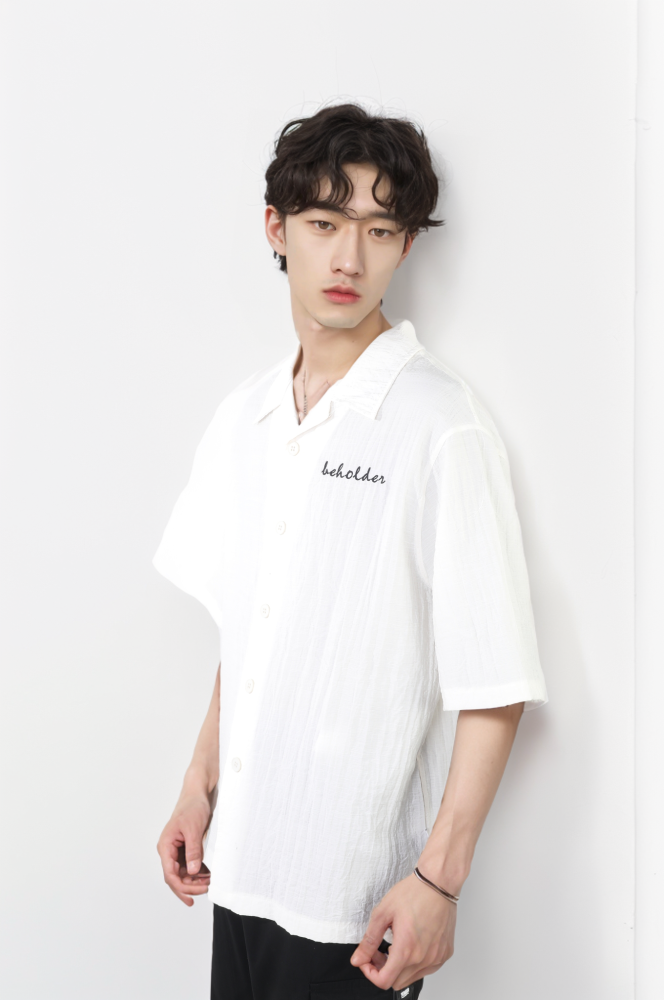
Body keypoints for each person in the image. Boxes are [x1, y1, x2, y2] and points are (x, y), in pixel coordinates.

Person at [153, 102, 548, 999]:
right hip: (240, 874)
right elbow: (251, 626)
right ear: (277, 229)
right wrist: (198, 786)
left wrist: (439, 880)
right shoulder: (246, 416)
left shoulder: (439, 425)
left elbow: (495, 680)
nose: (348, 259)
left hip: (356, 910)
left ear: (405, 246)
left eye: (378, 230)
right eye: (325, 224)